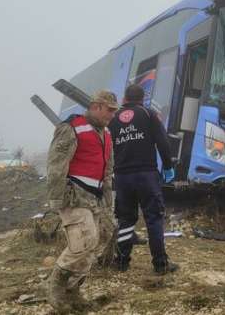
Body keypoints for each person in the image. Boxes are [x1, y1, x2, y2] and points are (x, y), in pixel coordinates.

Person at [45, 90, 118, 313]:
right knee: (84, 241)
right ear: (96, 106)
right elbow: (56, 165)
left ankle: (73, 291)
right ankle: (55, 287)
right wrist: (57, 199)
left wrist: (108, 199)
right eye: (110, 110)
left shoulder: (105, 134)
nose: (113, 115)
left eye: (115, 111)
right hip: (74, 195)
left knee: (98, 241)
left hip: (95, 197)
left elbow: (107, 169)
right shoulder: (71, 128)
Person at [109, 84, 177, 274]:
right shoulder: (149, 114)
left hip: (122, 176)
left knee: (125, 220)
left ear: (124, 99)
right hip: (146, 175)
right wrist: (168, 167)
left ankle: (121, 262)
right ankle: (160, 264)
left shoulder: (113, 119)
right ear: (143, 99)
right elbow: (163, 142)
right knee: (154, 219)